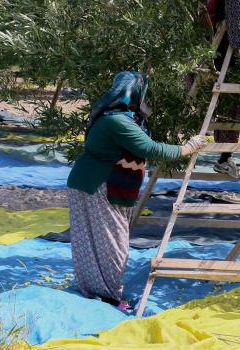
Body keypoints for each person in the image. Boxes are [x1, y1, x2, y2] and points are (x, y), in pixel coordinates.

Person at [66, 71, 206, 311]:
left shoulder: (121, 117)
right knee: (112, 244)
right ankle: (107, 295)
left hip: (99, 184)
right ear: (133, 93)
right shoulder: (116, 121)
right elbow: (149, 148)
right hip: (95, 185)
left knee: (103, 241)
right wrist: (188, 147)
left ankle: (99, 290)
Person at [206, 0, 240, 179]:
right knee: (229, 110)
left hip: (231, 64)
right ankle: (224, 157)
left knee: (233, 111)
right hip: (220, 64)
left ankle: (225, 157)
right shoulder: (218, 2)